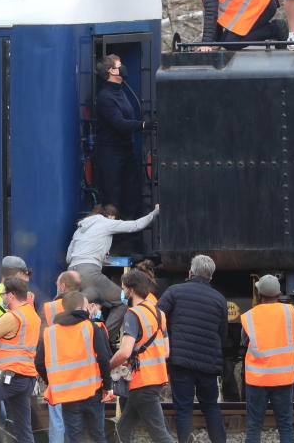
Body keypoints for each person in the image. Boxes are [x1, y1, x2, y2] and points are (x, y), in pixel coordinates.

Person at [157, 254, 227, 443]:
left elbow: (156, 317)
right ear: (211, 276)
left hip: (181, 361)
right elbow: (223, 335)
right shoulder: (219, 299)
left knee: (183, 408)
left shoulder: (174, 292)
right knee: (211, 406)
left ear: (191, 272)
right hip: (208, 363)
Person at [67, 203, 159, 337]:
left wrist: (99, 258)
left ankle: (80, 340)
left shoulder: (80, 229)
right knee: (122, 302)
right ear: (111, 216)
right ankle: (102, 339)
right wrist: (155, 212)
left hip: (71, 272)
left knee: (81, 307)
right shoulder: (106, 222)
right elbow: (136, 225)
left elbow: (69, 257)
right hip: (90, 272)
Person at [36, 291, 112, 443]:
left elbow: (39, 363)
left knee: (74, 438)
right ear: (81, 307)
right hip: (92, 392)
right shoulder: (91, 327)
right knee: (98, 436)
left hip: (67, 395)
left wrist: (53, 383)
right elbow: (104, 358)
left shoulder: (50, 332)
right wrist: (107, 385)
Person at [111, 270, 174, 443]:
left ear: (131, 290)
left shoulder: (133, 314)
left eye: (123, 288)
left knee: (159, 434)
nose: (122, 292)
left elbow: (124, 351)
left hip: (142, 381)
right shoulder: (158, 313)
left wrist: (106, 366)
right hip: (155, 378)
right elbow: (166, 351)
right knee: (122, 428)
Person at [0, 276, 42, 443]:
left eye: (3, 294)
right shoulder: (34, 316)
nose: (2, 298)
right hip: (26, 379)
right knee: (24, 429)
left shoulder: (12, 317)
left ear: (11, 295)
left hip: (9, 376)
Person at [241, 275, 294, 443]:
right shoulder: (291, 311)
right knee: (285, 425)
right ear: (279, 293)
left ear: (259, 294)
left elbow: (244, 341)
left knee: (254, 426)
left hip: (257, 379)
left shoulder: (249, 316)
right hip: (283, 377)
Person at [93, 54, 148, 220]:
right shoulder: (105, 96)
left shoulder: (120, 91)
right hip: (111, 155)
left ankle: (132, 237)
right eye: (120, 65)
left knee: (132, 195)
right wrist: (143, 125)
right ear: (112, 71)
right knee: (114, 197)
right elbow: (118, 123)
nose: (124, 68)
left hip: (126, 151)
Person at [40, 269, 82, 443]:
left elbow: (41, 341)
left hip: (56, 371)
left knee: (57, 419)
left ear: (63, 286)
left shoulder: (49, 308)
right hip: (81, 372)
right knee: (77, 420)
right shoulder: (85, 306)